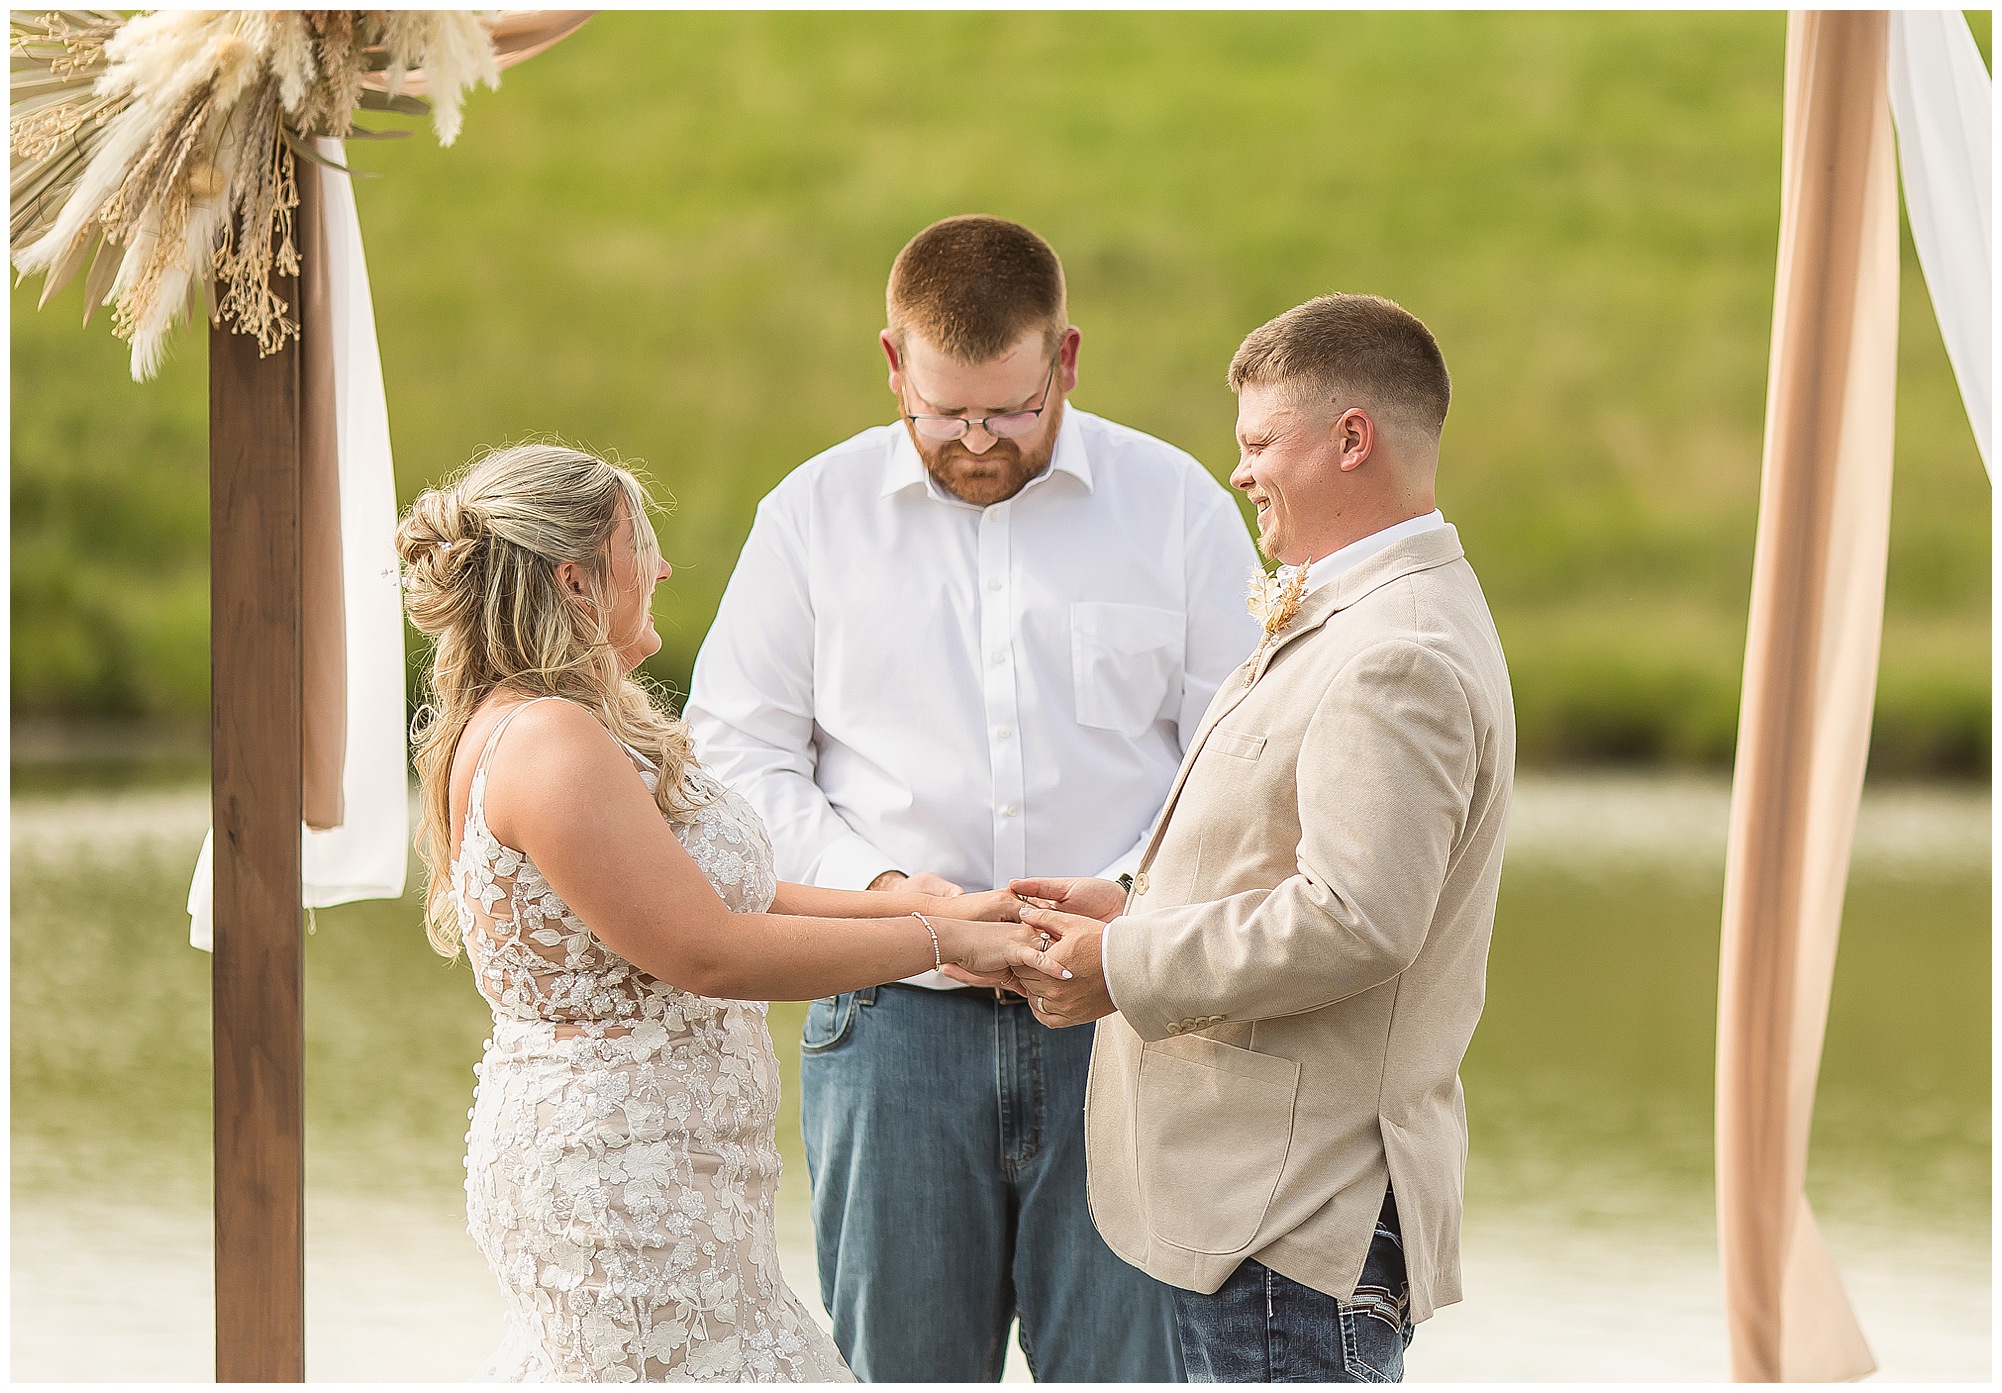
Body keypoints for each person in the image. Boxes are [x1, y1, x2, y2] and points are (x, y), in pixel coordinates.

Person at [685, 215, 1260, 1381]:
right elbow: (735, 757)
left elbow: (1242, 755)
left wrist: (1128, 896)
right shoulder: (812, 515)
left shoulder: (1178, 507)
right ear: (893, 364)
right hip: (890, 1019)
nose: (980, 441)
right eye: (946, 414)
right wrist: (895, 898)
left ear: (1066, 359)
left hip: (1121, 1020)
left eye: (1011, 410)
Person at [394, 443, 1053, 1383]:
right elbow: (708, 950)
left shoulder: (550, 722)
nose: (662, 568)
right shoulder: (551, 741)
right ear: (576, 580)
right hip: (624, 1183)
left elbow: (699, 899)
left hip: (664, 1171)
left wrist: (906, 903)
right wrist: (942, 943)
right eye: (639, 545)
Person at [1008, 293, 1516, 1382]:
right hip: (1254, 1210)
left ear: (1350, 439)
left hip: (1292, 1221)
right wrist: (1134, 908)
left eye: (1257, 442)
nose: (1238, 472)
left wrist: (1122, 963)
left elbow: (1354, 919)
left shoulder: (1398, 650)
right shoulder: (1369, 608)